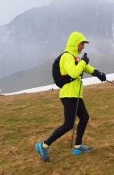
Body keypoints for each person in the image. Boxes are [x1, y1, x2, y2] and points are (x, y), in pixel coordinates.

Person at [35, 31, 106, 162]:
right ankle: (44, 145)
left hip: (76, 94)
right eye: (82, 44)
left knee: (84, 117)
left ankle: (78, 146)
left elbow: (86, 67)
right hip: (68, 95)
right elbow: (74, 72)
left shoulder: (75, 57)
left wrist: (98, 73)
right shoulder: (67, 57)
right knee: (68, 124)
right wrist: (83, 62)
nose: (83, 46)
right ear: (75, 43)